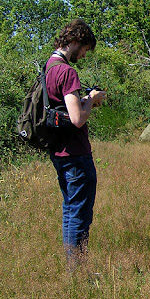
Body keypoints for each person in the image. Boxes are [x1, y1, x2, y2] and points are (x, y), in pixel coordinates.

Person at [46, 19, 107, 271]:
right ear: (75, 41)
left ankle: (74, 268)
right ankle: (78, 271)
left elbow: (63, 109)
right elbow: (78, 119)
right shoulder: (67, 72)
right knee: (80, 214)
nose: (83, 55)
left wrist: (82, 99)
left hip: (59, 152)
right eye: (84, 49)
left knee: (70, 211)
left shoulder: (49, 67)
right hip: (76, 155)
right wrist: (91, 99)